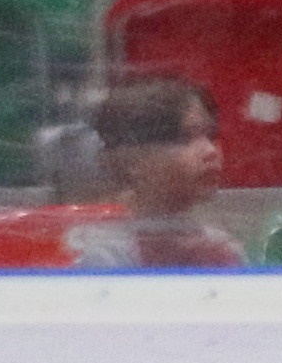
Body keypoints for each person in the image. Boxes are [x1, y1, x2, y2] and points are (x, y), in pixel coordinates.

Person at [70, 71, 251, 266]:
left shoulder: (221, 248)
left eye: (210, 135)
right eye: (184, 139)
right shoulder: (103, 254)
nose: (210, 151)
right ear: (131, 159)